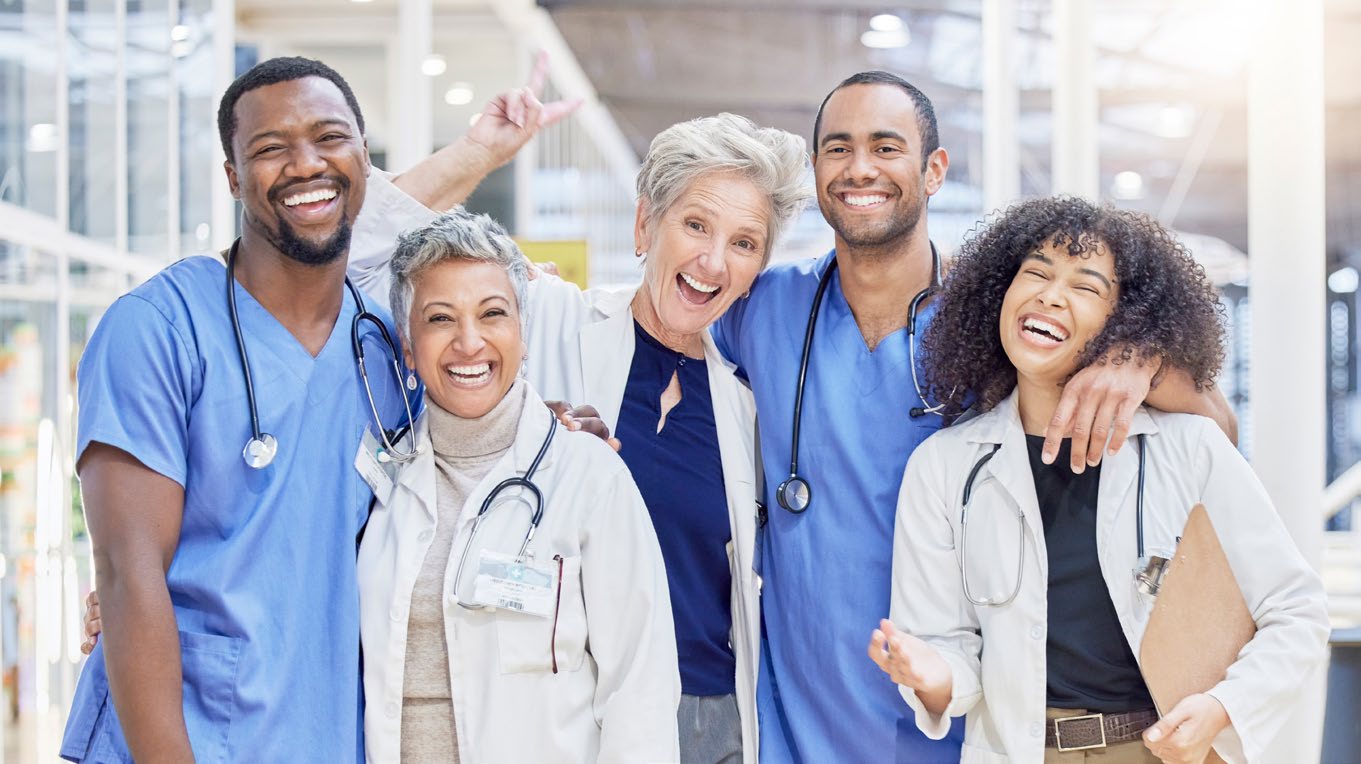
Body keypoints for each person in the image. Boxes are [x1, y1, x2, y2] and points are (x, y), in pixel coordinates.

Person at [707, 72, 1238, 762]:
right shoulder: (762, 306)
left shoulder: (1002, 319)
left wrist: (1141, 365)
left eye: (885, 147)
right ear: (815, 170)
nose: (860, 168)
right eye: (838, 149)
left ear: (934, 171)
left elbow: (1217, 429)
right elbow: (657, 328)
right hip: (800, 725)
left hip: (976, 722)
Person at [62, 55, 577, 762]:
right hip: (181, 738)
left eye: (330, 138)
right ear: (233, 177)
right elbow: (126, 575)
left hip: (328, 732)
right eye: (270, 148)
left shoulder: (385, 349)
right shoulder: (157, 330)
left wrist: (547, 427)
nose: (306, 164)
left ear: (365, 160)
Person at [348, 112, 810, 763]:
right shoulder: (543, 316)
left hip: (705, 718)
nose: (712, 261)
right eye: (695, 225)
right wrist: (478, 151)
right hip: (558, 710)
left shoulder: (746, 406)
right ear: (644, 225)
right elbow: (361, 260)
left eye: (744, 242)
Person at [868, 196, 1329, 763]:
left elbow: (1297, 612)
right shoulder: (944, 466)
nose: (1050, 295)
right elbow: (946, 650)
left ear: (1125, 323)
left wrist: (1223, 706)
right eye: (1036, 273)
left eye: (1086, 287)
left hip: (1161, 750)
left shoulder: (1189, 447)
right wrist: (932, 674)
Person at [357, 210, 679, 762]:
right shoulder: (380, 482)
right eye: (440, 318)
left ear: (523, 333)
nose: (469, 341)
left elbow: (639, 690)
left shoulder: (589, 476)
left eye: (492, 313)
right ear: (408, 347)